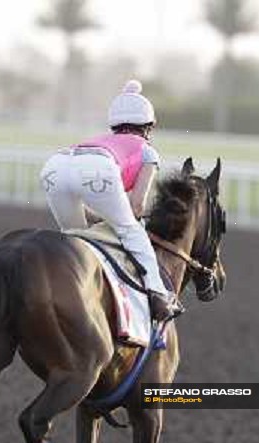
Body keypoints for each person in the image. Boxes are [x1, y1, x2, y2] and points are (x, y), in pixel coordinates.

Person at [40, 79, 179, 321]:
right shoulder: (147, 151)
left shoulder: (102, 138)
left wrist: (104, 217)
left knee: (74, 235)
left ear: (113, 124)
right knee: (132, 232)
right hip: (96, 167)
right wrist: (122, 220)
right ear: (150, 126)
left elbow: (92, 210)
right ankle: (158, 296)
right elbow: (137, 206)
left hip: (55, 165)